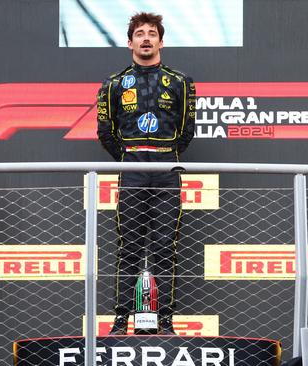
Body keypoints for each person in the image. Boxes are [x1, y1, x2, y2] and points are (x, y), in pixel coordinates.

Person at [96, 12, 196, 335]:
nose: (146, 38)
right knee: (130, 247)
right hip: (132, 173)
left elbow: (186, 130)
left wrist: (165, 156)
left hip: (167, 172)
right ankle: (121, 320)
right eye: (140, 33)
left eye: (152, 33)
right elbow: (105, 131)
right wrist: (130, 158)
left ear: (161, 41)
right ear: (130, 42)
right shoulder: (113, 84)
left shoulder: (181, 82)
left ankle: (166, 321)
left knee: (166, 246)